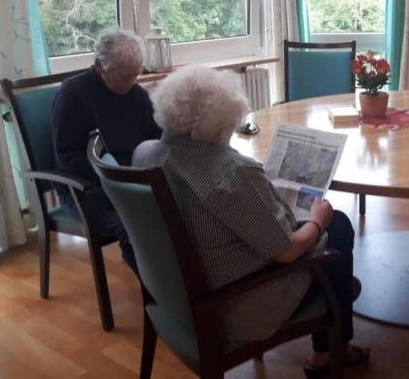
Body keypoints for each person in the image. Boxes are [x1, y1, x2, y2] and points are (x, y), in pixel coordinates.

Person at [132, 65, 369, 376]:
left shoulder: (145, 154)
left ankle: (335, 322)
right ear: (221, 121)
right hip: (235, 307)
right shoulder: (231, 173)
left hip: (174, 299)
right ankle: (330, 351)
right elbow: (287, 252)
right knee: (336, 224)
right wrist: (317, 220)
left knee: (323, 241)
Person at [52, 28, 161, 273]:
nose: (131, 82)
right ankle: (158, 295)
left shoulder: (136, 93)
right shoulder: (72, 95)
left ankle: (178, 283)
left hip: (134, 180)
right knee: (134, 228)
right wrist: (115, 180)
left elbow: (156, 135)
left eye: (135, 74)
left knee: (182, 210)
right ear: (99, 66)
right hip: (88, 187)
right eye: (123, 76)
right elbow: (67, 156)